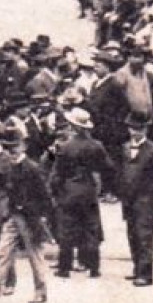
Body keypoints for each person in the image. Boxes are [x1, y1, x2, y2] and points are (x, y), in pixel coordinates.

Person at [0, 124, 52, 303]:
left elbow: (45, 196)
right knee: (2, 251)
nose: (11, 152)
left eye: (14, 147)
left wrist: (41, 218)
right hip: (13, 215)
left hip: (30, 217)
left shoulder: (32, 168)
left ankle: (41, 291)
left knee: (35, 256)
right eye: (7, 148)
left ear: (23, 146)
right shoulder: (9, 167)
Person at [48, 107, 109, 279]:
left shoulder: (66, 147)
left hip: (69, 191)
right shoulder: (97, 146)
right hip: (88, 190)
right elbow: (108, 168)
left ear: (73, 126)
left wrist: (55, 191)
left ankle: (64, 267)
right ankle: (93, 267)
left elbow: (58, 173)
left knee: (67, 229)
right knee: (91, 228)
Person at [119, 115, 153, 287]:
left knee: (145, 236)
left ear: (145, 130)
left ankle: (145, 273)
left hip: (146, 200)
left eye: (139, 129)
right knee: (132, 234)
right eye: (132, 128)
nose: (135, 132)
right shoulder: (125, 148)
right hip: (129, 199)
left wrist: (151, 194)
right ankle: (136, 268)